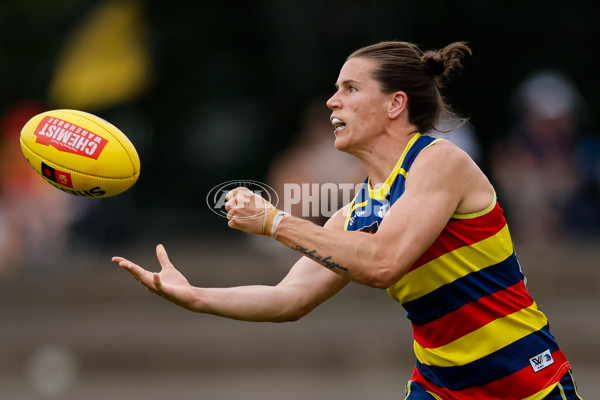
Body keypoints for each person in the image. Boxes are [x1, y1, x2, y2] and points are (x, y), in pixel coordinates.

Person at [112, 41, 582, 399]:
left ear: (396, 104)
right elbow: (288, 298)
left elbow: (384, 263)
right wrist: (195, 296)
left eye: (350, 89)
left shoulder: (439, 161)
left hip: (525, 383)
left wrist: (275, 222)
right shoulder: (356, 211)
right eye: (336, 90)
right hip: (440, 387)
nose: (332, 102)